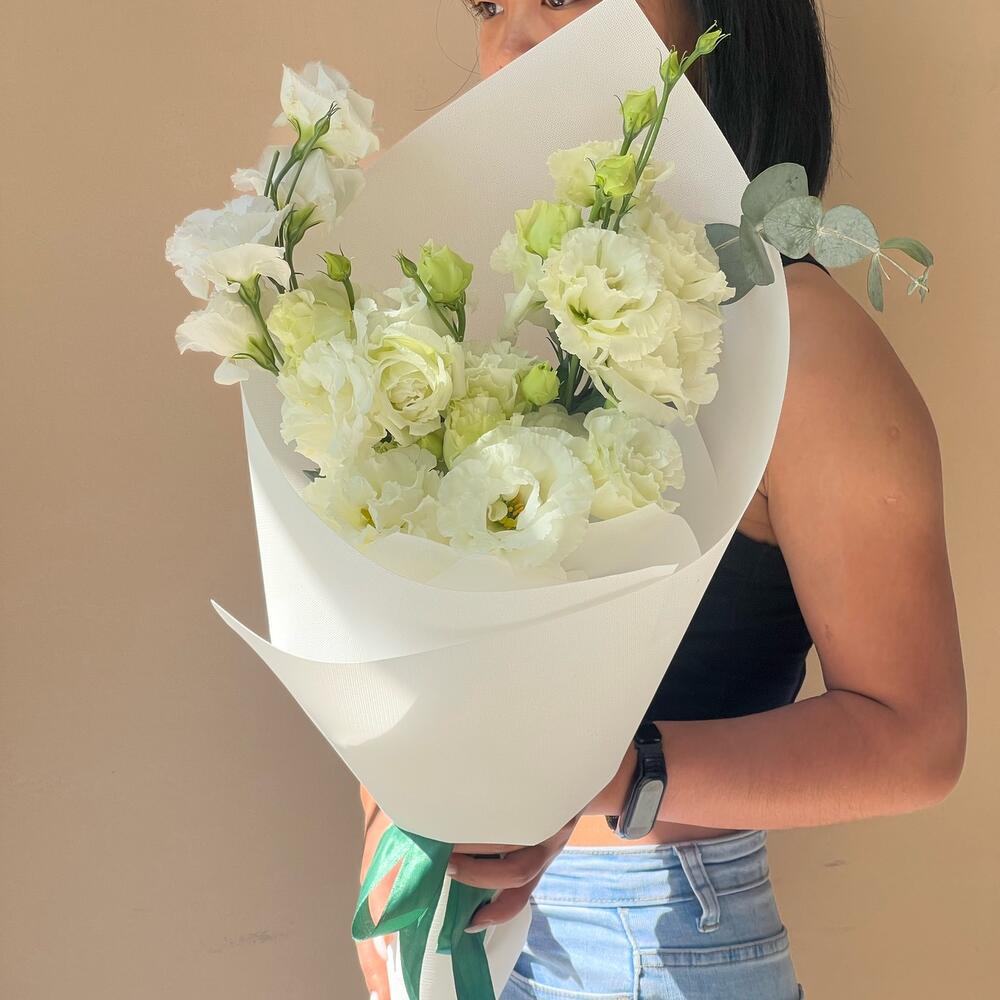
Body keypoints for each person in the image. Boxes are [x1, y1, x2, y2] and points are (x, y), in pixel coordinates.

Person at [358, 2, 968, 997]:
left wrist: (618, 772)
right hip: (449, 928)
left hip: (654, 941)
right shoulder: (484, 313)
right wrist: (391, 825)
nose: (511, 40)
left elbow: (915, 740)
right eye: (487, 4)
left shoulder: (800, 346)